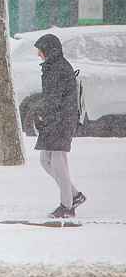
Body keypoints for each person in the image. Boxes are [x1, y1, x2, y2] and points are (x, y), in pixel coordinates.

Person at [34, 34, 86, 218]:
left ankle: (67, 206)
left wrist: (43, 116)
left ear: (48, 49)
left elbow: (54, 99)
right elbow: (51, 98)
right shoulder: (53, 66)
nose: (38, 54)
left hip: (62, 120)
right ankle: (74, 195)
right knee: (45, 161)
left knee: (57, 160)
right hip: (57, 119)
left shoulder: (58, 68)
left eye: (40, 50)